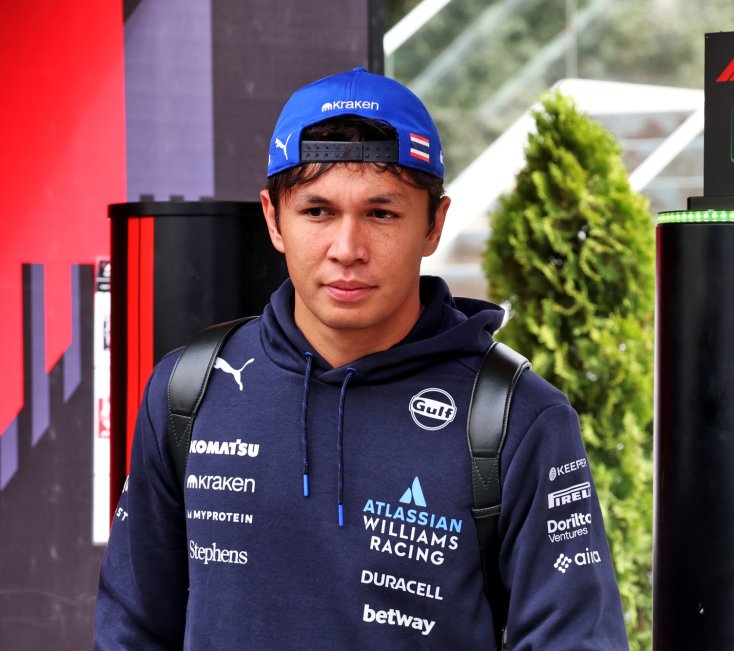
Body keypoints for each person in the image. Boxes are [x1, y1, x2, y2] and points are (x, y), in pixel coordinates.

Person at [95, 67, 628, 650]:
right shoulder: (189, 389)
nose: (347, 249)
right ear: (273, 219)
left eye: (381, 213)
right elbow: (131, 630)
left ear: (434, 224)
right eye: (317, 211)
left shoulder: (516, 418)